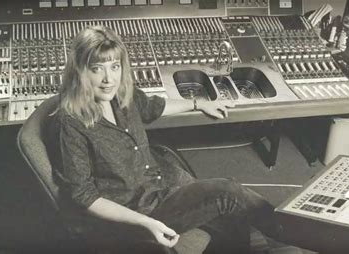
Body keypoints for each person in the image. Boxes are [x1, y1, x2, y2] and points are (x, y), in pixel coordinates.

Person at [47, 25, 284, 253]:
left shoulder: (121, 95)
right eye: (97, 68)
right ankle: (293, 231)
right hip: (136, 211)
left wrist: (198, 102)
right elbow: (85, 197)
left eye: (115, 67)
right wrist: (146, 223)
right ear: (80, 71)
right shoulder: (70, 123)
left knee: (233, 216)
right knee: (227, 192)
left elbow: (153, 107)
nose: (109, 78)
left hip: (162, 184)